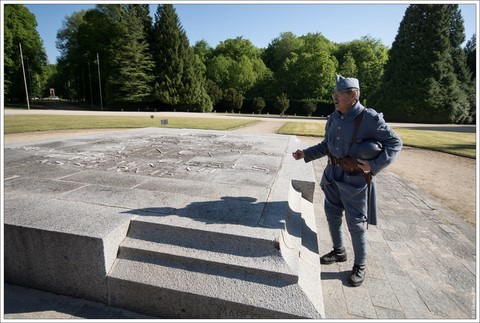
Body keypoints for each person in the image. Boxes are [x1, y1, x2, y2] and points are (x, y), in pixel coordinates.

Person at [292, 75, 403, 287]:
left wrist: (375, 165)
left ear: (353, 95)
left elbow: (395, 143)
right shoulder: (334, 117)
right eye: (334, 92)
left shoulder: (368, 118)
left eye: (339, 93)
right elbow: (327, 146)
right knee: (332, 216)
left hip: (355, 183)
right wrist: (305, 154)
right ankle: (339, 251)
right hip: (333, 176)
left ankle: (359, 265)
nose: (334, 96)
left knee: (356, 225)